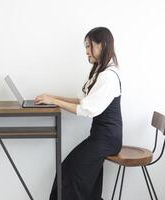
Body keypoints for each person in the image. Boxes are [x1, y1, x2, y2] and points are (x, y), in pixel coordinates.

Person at [34, 27, 122, 200]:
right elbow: (81, 100)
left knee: (71, 174)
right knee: (68, 171)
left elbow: (86, 109)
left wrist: (54, 101)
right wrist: (51, 97)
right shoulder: (101, 71)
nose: (86, 51)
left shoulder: (108, 77)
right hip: (100, 137)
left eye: (89, 46)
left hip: (107, 140)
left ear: (102, 46)